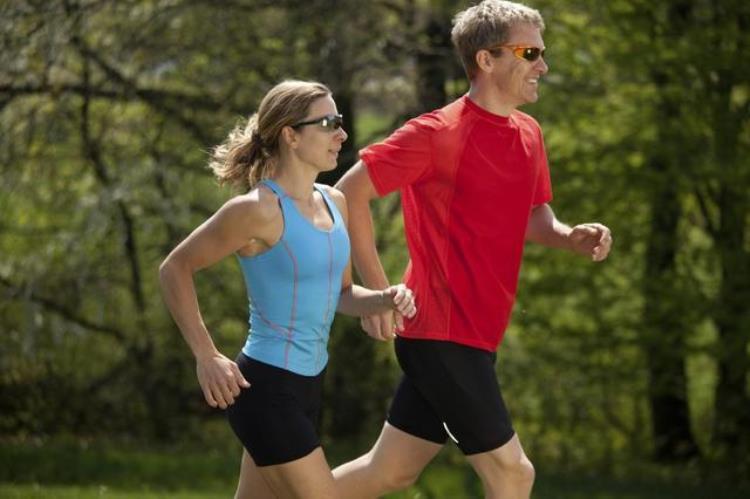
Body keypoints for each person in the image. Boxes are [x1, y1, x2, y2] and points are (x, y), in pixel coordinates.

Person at [331, 1, 613, 498]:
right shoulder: (435, 133)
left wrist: (568, 235)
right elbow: (349, 192)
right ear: (486, 60)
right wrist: (375, 292)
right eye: (529, 53)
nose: (542, 66)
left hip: (479, 334)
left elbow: (533, 215)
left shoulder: (529, 134)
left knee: (389, 472)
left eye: (542, 53)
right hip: (439, 330)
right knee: (512, 472)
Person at [158, 80, 417, 499]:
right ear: (291, 135)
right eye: (329, 123)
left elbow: (342, 296)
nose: (342, 134)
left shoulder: (335, 202)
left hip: (309, 387)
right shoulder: (256, 210)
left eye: (341, 122)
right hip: (266, 389)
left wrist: (387, 296)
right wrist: (206, 355)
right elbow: (175, 268)